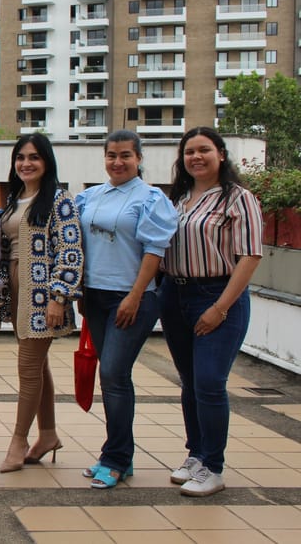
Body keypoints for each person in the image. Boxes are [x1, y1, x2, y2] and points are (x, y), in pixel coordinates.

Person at [159, 126, 263, 497]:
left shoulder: (238, 198)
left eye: (204, 150)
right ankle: (197, 455)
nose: (196, 157)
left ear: (221, 154)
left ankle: (214, 467)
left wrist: (220, 308)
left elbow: (250, 256)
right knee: (189, 382)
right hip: (175, 294)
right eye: (189, 152)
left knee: (209, 382)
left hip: (217, 295)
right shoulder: (180, 198)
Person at [75, 129, 177, 488]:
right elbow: (79, 246)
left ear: (139, 159)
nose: (117, 162)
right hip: (96, 297)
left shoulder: (150, 199)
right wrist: (80, 292)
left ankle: (115, 458)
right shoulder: (89, 197)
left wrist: (135, 295)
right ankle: (122, 454)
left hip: (132, 299)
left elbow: (154, 251)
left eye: (125, 156)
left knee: (114, 375)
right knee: (113, 377)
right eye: (111, 155)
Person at [0, 134, 83, 472]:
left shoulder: (59, 200)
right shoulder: (14, 199)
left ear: (47, 162)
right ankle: (48, 434)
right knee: (38, 366)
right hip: (17, 290)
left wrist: (59, 298)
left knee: (28, 368)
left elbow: (70, 251)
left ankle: (19, 440)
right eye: (21, 157)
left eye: (34, 157)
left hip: (42, 295)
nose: (26, 163)